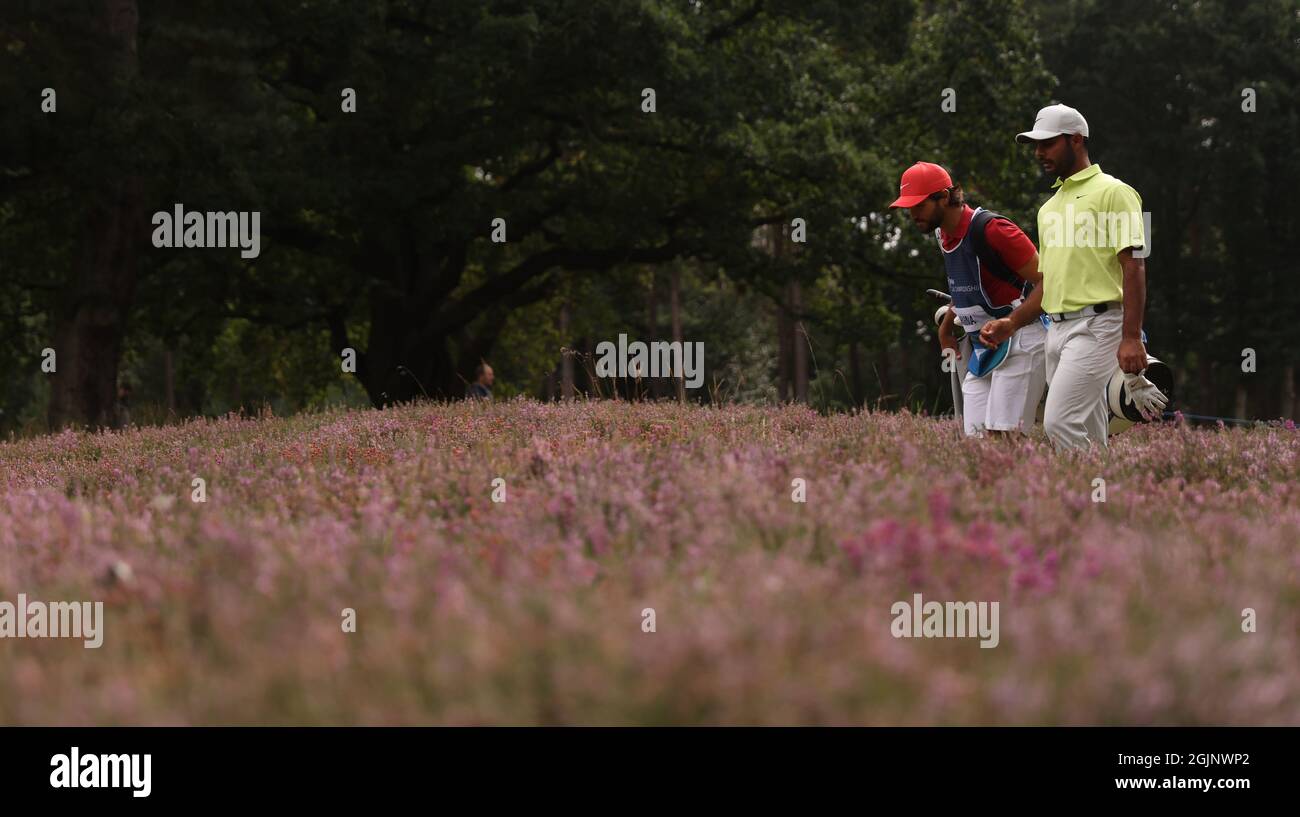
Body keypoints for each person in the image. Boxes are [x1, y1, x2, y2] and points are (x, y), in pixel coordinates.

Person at [1014, 104, 1166, 449]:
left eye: (1048, 143)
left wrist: (1131, 337)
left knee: (1059, 422)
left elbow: (1136, 265)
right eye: (1036, 145)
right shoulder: (1047, 208)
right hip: (1057, 330)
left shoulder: (1119, 192)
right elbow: (1049, 281)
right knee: (1089, 425)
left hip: (1099, 326)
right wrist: (1012, 323)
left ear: (1077, 140)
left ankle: (1078, 497)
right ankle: (1102, 496)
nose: (1039, 153)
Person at [890, 162, 1047, 437]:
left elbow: (1050, 281)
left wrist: (1011, 323)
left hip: (1023, 339)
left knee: (1005, 436)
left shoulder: (993, 230)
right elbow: (965, 286)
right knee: (976, 441)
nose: (913, 215)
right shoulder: (942, 234)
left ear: (945, 197)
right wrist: (947, 324)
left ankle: (1041, 478)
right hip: (984, 348)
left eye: (919, 205)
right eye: (908, 208)